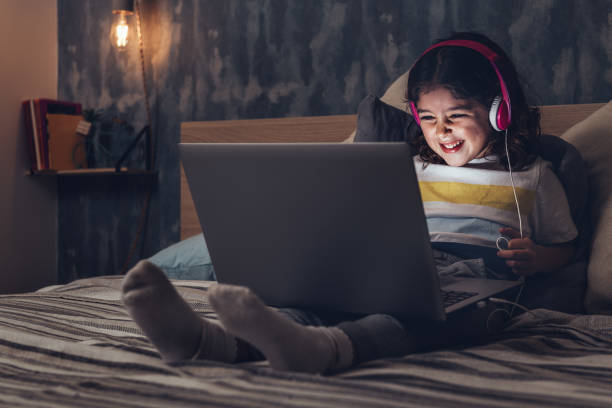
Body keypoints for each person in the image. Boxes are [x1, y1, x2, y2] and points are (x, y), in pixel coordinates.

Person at [121, 32, 578, 374]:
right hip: (403, 278)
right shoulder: (410, 168)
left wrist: (538, 257)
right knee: (318, 301)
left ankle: (325, 349)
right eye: (430, 119)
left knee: (410, 321)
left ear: (500, 111)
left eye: (457, 116)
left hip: (474, 298)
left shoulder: (535, 177)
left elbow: (566, 249)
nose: (442, 132)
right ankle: (209, 342)